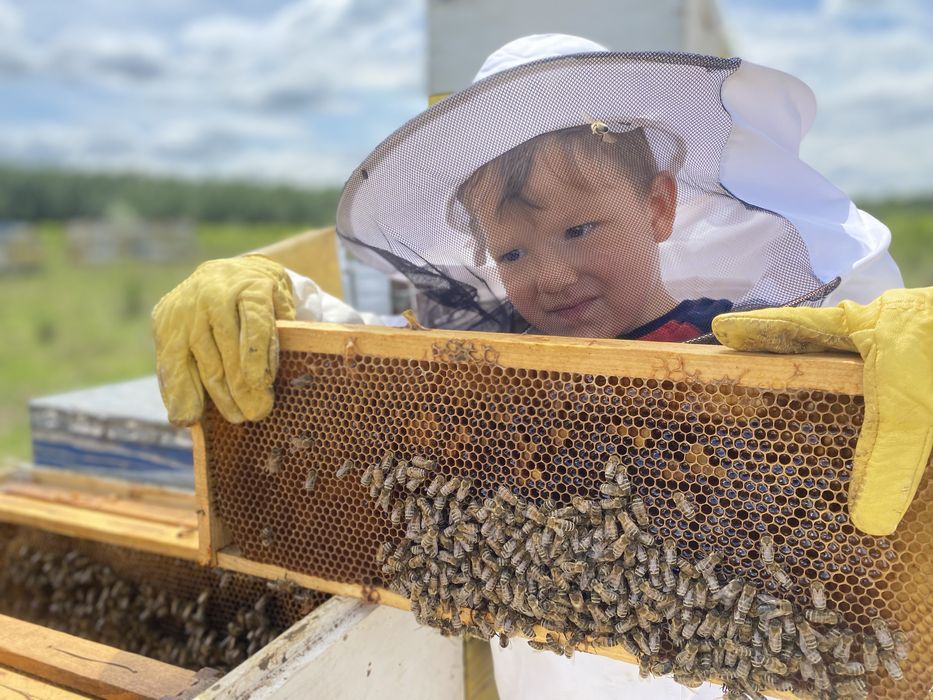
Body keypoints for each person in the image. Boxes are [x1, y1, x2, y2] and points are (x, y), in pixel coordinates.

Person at [152, 34, 933, 699]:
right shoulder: (491, 360)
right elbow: (363, 353)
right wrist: (277, 297)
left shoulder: (744, 347)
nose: (551, 276)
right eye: (514, 252)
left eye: (581, 228)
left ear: (657, 207)